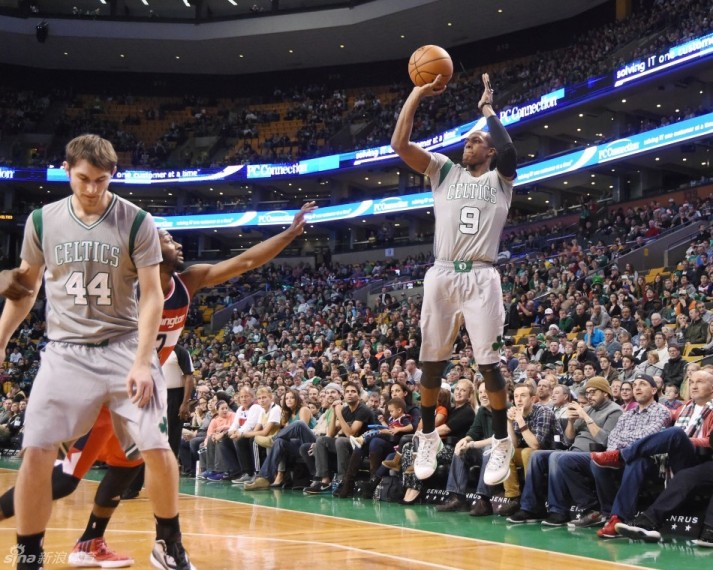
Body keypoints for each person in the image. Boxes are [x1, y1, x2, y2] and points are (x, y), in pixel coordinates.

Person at [0, 166, 315, 567]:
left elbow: (246, 261)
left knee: (130, 463)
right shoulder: (124, 286)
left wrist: (289, 233)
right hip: (99, 389)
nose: (175, 243)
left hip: (132, 393)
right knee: (62, 481)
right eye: (166, 237)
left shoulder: (189, 281)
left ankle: (91, 542)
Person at [0, 134, 194, 570]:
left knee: (157, 448)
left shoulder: (137, 221)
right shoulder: (42, 221)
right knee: (37, 452)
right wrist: (0, 340)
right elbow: (26, 289)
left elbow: (151, 296)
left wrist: (144, 362)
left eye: (101, 181)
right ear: (67, 170)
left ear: (113, 176)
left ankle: (168, 544)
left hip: (124, 346)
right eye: (84, 179)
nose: (91, 190)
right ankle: (29, 556)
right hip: (65, 351)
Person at [390, 72, 517, 486]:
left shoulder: (502, 180)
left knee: (489, 367)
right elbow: (399, 145)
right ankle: (427, 433)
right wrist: (416, 92)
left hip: (482, 276)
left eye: (477, 141)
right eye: (467, 140)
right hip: (442, 273)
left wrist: (487, 112)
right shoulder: (444, 171)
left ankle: (501, 439)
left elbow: (511, 147)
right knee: (431, 365)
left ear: (491, 151)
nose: (469, 144)